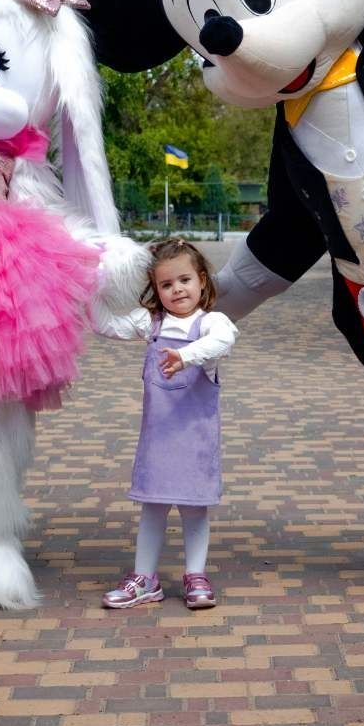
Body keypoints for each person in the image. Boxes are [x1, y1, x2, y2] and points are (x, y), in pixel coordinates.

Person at [95, 238, 238, 610]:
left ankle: (196, 575)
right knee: (152, 507)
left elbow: (225, 340)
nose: (177, 290)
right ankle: (144, 579)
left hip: (195, 440)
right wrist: (87, 287)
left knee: (194, 509)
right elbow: (108, 325)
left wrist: (186, 355)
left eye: (185, 280)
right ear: (156, 290)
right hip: (158, 440)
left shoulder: (211, 323)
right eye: (167, 284)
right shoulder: (151, 323)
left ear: (202, 281)